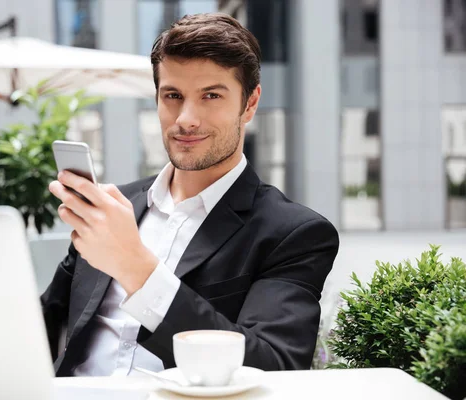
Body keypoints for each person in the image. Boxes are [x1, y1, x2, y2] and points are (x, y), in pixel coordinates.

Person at [42, 12, 339, 377]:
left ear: (250, 104)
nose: (186, 118)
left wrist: (136, 268)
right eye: (172, 95)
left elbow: (272, 364)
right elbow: (37, 328)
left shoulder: (294, 233)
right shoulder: (113, 208)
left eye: (211, 95)